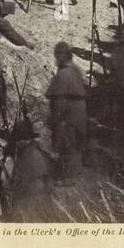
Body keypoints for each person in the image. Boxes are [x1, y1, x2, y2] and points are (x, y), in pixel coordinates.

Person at [45, 42, 88, 181]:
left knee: (67, 144)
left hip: (69, 114)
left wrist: (55, 120)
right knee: (75, 143)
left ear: (60, 56)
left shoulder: (64, 74)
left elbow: (58, 102)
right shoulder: (75, 69)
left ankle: (69, 178)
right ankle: (76, 172)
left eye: (57, 56)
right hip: (79, 112)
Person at [7, 118, 54, 222]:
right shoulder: (38, 150)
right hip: (44, 204)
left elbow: (17, 186)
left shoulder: (26, 155)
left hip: (29, 207)